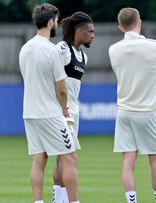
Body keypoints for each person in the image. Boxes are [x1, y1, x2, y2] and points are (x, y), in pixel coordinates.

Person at [19, 3, 80, 203]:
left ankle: (38, 202)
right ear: (51, 21)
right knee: (70, 158)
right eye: (55, 21)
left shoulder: (24, 49)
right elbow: (62, 89)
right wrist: (64, 110)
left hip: (29, 113)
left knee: (39, 160)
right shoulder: (51, 50)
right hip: (50, 113)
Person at [108, 7, 156, 203]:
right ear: (139, 22)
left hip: (124, 112)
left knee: (128, 162)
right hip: (148, 112)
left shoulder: (113, 49)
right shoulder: (154, 46)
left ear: (120, 27)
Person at [52, 11, 94, 203]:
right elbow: (51, 76)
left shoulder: (83, 56)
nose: (93, 35)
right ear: (79, 31)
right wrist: (61, 108)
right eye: (90, 31)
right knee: (68, 159)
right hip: (62, 112)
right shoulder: (62, 48)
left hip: (73, 112)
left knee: (63, 160)